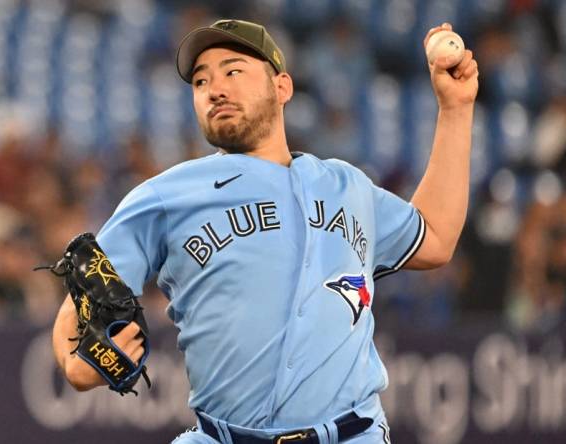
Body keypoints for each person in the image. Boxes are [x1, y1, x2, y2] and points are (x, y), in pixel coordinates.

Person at [52, 19, 478, 444]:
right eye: (201, 82)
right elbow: (81, 300)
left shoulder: (347, 186)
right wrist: (75, 363)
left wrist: (455, 110)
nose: (215, 88)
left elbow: (435, 237)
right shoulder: (168, 195)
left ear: (282, 88)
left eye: (233, 71)